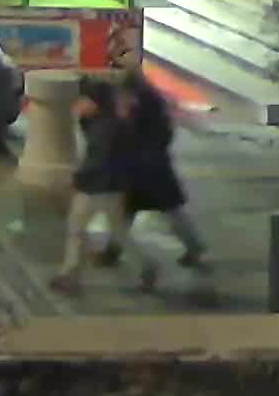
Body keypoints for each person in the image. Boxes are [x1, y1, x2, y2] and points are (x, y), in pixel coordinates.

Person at [114, 71, 207, 290]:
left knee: (124, 214)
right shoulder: (151, 103)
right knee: (170, 212)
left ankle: (119, 253)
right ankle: (194, 248)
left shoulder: (139, 107)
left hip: (144, 171)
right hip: (153, 170)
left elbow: (132, 135)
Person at [49, 80, 133, 294]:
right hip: (107, 186)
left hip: (99, 187)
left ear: (95, 102)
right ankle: (147, 267)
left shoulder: (104, 128)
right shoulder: (100, 121)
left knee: (78, 229)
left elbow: (95, 160)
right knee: (116, 232)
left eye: (82, 100)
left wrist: (77, 181)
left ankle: (70, 275)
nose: (78, 104)